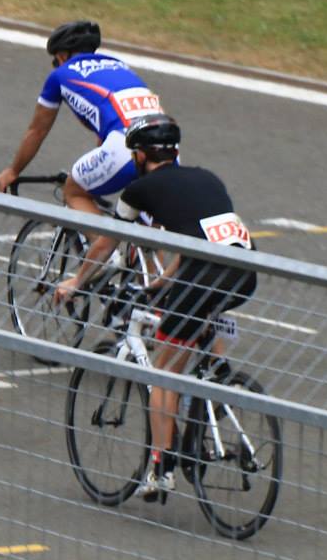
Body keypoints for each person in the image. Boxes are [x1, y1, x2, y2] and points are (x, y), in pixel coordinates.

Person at [109, 117, 257, 502]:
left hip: (205, 276)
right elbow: (199, 238)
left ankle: (162, 469)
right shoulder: (206, 177)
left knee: (163, 372)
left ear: (140, 156)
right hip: (244, 273)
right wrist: (164, 280)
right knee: (200, 318)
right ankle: (215, 377)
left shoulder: (139, 189)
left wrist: (76, 281)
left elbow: (111, 238)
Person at [0, 18, 167, 304]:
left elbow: (37, 131)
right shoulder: (117, 65)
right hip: (166, 145)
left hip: (126, 146)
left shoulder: (61, 75)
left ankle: (103, 250)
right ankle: (154, 305)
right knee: (148, 227)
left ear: (61, 56)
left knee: (74, 189)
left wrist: (13, 170)